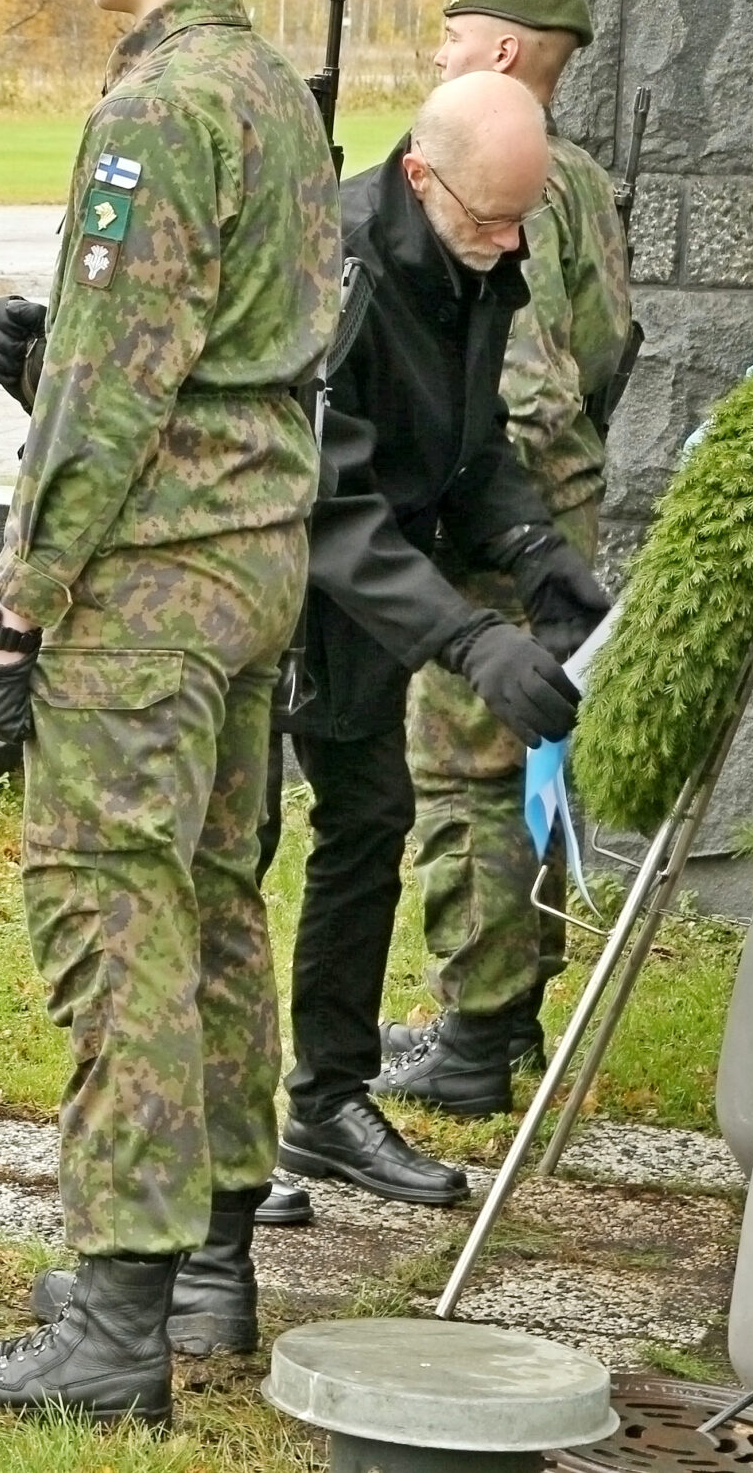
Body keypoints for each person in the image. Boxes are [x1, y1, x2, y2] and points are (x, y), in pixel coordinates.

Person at [0, 0, 339, 1425]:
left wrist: (18, 603)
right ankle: (207, 1265)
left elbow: (107, 392)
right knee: (217, 903)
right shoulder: (278, 97)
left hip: (151, 586)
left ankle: (112, 1325)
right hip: (250, 570)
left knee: (118, 919)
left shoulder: (161, 110)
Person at [278, 71, 610, 1206]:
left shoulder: (477, 252)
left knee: (368, 823)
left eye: (522, 218)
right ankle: (217, 1146)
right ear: (418, 176)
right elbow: (329, 502)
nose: (510, 243)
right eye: (491, 218)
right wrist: (470, 641)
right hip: (280, 591)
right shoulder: (342, 271)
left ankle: (326, 1102)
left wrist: (536, 554)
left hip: (379, 595)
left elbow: (468, 450)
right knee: (231, 858)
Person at [373, 0, 633, 1116]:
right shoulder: (581, 177)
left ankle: (474, 1038)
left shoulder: (491, 183)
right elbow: (610, 345)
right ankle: (510, 1013)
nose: (438, 55)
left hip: (501, 520)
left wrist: (480, 509)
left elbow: (517, 389)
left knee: (467, 774)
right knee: (526, 763)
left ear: (505, 53)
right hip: (556, 510)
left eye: (453, 36)